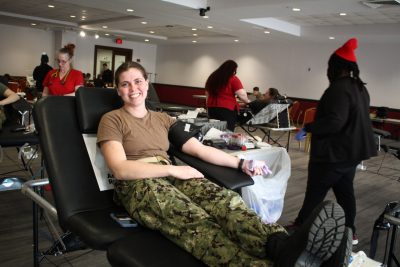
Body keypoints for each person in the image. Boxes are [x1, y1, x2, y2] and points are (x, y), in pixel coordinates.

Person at [97, 61, 350, 267]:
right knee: (195, 220)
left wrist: (240, 164)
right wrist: (173, 169)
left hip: (172, 175)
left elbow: (200, 149)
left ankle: (281, 247)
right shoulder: (112, 120)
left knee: (227, 202)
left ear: (147, 83)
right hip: (138, 183)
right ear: (118, 90)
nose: (133, 89)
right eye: (125, 84)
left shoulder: (163, 119)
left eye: (138, 81)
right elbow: (121, 168)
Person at [291, 38, 377, 246]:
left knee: (316, 192)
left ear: (336, 67)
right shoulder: (359, 87)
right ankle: (350, 232)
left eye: (329, 66)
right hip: (351, 153)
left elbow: (334, 122)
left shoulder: (338, 89)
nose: (327, 70)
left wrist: (308, 128)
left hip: (334, 154)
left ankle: (300, 228)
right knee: (345, 192)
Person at [205, 60, 250, 131]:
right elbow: (242, 94)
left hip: (212, 108)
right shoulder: (232, 78)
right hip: (226, 110)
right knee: (226, 132)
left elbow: (207, 94)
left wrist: (207, 107)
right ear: (233, 69)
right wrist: (247, 101)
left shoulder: (212, 77)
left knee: (213, 130)